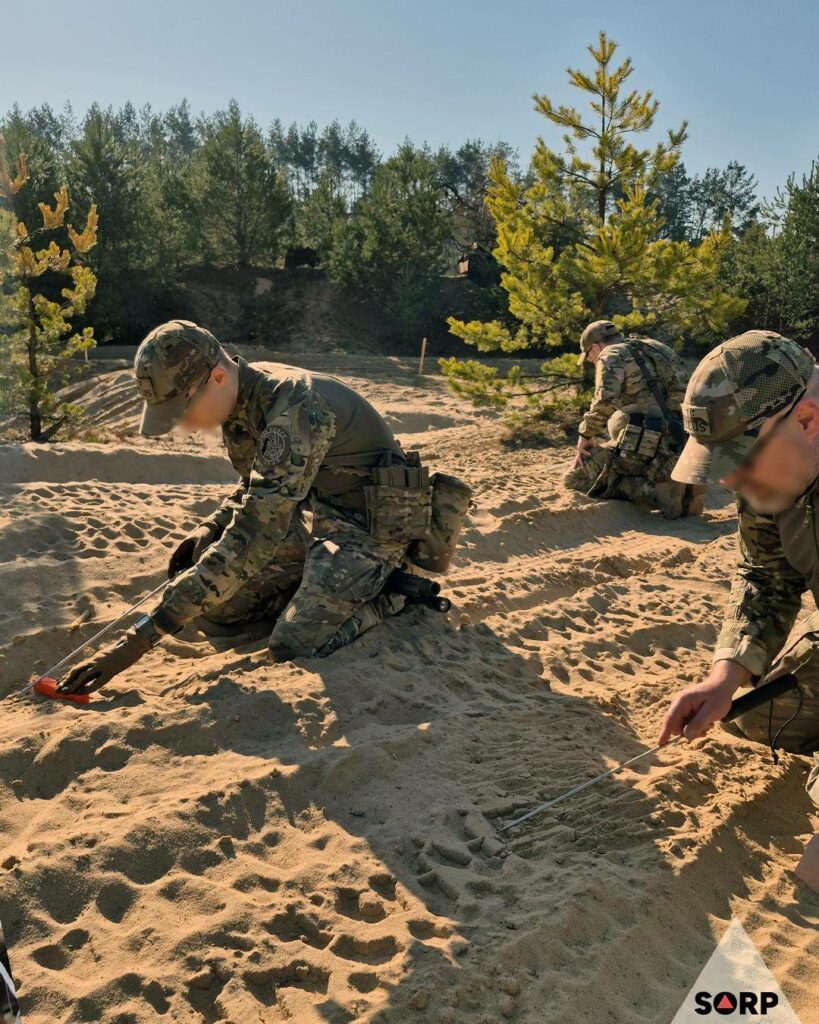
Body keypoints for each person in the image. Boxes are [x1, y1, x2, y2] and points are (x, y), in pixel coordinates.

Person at [58, 320, 435, 694]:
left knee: (294, 643)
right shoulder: (240, 399)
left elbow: (255, 534)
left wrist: (136, 643)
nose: (187, 425)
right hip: (313, 512)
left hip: (370, 526)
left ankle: (389, 593)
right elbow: (255, 488)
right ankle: (318, 586)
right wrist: (210, 527)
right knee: (220, 608)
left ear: (218, 377)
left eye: (184, 410)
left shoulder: (294, 407)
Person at [659, 329, 819, 893]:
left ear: (807, 420)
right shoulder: (776, 472)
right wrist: (725, 677)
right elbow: (767, 573)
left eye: (741, 461)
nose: (732, 481)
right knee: (755, 716)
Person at [564, 319, 701, 519]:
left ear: (594, 347)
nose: (591, 361)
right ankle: (686, 490)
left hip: (646, 441)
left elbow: (605, 403)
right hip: (681, 439)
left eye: (588, 357)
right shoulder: (655, 347)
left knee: (572, 479)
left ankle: (657, 492)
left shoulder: (610, 354)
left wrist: (585, 435)